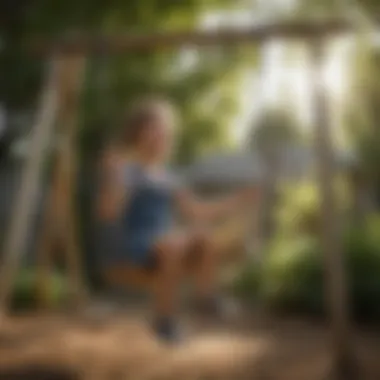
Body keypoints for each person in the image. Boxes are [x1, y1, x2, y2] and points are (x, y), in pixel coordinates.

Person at [97, 97, 257, 343]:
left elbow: (198, 210)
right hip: (136, 243)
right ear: (138, 134)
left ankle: (205, 299)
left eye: (164, 129)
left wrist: (236, 201)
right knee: (174, 243)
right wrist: (114, 177)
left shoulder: (168, 177)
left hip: (168, 242)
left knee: (203, 236)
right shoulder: (127, 170)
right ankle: (164, 320)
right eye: (154, 128)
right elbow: (108, 213)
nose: (160, 134)